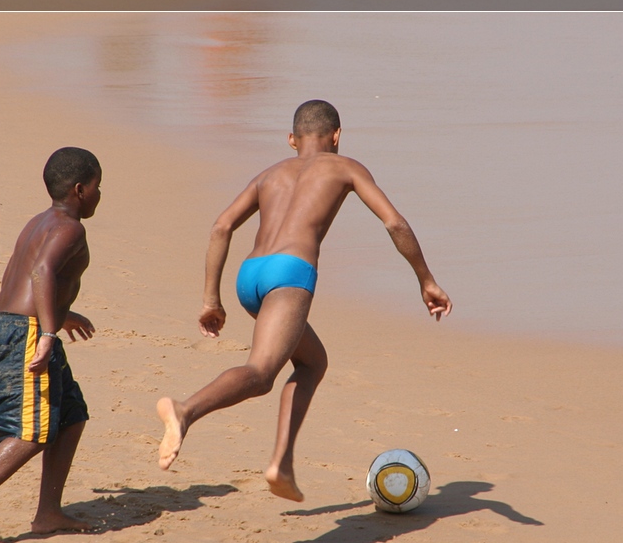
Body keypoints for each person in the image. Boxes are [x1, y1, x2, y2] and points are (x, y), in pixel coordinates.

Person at [156, 100, 452, 502]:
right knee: (260, 374)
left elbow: (222, 226)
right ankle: (186, 410)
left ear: (292, 139)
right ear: (337, 136)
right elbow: (394, 222)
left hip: (251, 276)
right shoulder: (346, 166)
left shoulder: (270, 173)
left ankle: (283, 463)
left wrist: (212, 298)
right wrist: (426, 279)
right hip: (290, 275)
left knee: (312, 362)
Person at [0, 147, 102, 543]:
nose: (101, 196)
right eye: (99, 187)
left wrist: (63, 316)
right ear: (80, 189)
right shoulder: (70, 228)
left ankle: (48, 512)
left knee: (70, 415)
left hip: (17, 322)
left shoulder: (40, 222)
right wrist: (48, 332)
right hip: (27, 331)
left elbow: (19, 277)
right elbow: (42, 271)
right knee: (30, 430)